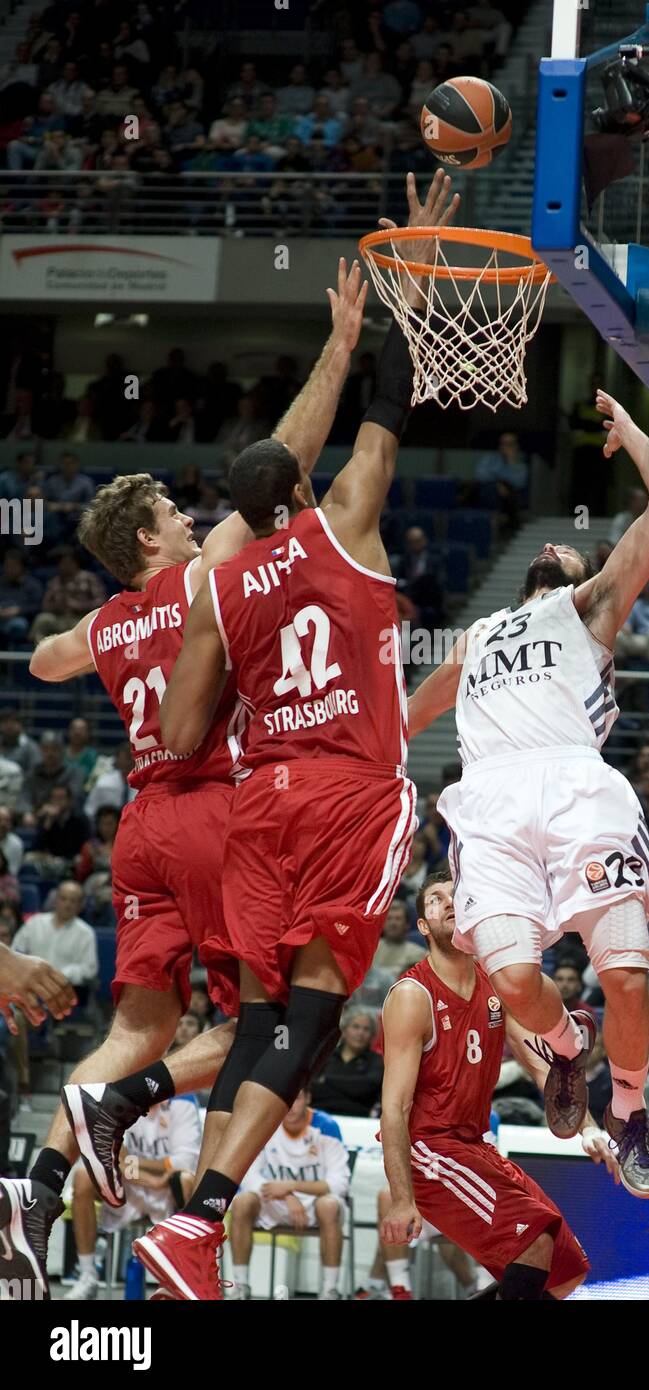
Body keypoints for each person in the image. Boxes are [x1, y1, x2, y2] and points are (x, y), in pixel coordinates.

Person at [0, 258, 367, 1298]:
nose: (189, 511)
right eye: (170, 505)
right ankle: (179, 1197)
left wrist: (100, 629)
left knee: (132, 1027)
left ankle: (37, 1180)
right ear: (156, 538)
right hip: (213, 810)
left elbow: (43, 659)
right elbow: (278, 461)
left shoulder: (109, 620)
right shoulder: (205, 572)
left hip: (138, 826)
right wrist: (339, 348)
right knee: (264, 1021)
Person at [128, 174, 459, 1301]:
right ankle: (204, 1212)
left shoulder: (216, 587)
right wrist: (407, 261)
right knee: (316, 1022)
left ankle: (192, 1225)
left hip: (255, 803)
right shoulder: (346, 522)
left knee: (266, 1018)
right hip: (348, 793)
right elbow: (391, 402)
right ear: (301, 488)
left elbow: (176, 732)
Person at [407, 389, 649, 1199]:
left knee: (628, 977)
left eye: (574, 545)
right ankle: (568, 1048)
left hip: (577, 789)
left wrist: (634, 435)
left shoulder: (589, 603)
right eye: (556, 543)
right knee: (516, 983)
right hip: (488, 804)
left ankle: (630, 1109)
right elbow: (401, 720)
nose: (560, 543)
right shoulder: (477, 635)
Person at [379, 873, 608, 1299]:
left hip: (476, 1145)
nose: (449, 902)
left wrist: (589, 1128)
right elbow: (393, 1109)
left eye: (456, 896)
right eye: (436, 899)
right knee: (533, 1243)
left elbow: (542, 1065)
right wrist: (400, 1198)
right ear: (424, 927)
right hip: (430, 1148)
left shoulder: (495, 981)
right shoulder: (413, 995)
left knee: (565, 1274)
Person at [65, 1087, 202, 1300]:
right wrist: (153, 1177)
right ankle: (87, 1275)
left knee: (187, 1181)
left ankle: (189, 1279)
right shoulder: (122, 1098)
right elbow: (118, 1160)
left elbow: (184, 1162)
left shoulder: (183, 1101)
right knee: (83, 1177)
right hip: (133, 1185)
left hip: (169, 1189)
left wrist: (142, 1166)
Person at [229, 1088, 350, 1301]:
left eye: (297, 1098)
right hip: (274, 1200)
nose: (291, 1106)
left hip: (314, 1204)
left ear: (308, 1099)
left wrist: (292, 1186)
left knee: (330, 1204)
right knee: (241, 1202)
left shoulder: (326, 1127)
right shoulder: (265, 1122)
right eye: (286, 1099)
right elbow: (248, 1176)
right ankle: (240, 1286)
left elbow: (339, 1183)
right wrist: (287, 1195)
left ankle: (330, 1290)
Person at [11, 881, 97, 996]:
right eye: (63, 899)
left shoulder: (86, 933)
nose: (67, 904)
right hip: (28, 987)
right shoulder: (35, 922)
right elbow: (16, 951)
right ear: (55, 900)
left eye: (73, 901)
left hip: (64, 992)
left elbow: (89, 970)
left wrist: (60, 976)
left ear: (80, 906)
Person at [310, 1007, 384, 1118]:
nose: (360, 1033)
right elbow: (312, 1088)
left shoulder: (377, 1061)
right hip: (319, 1117)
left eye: (366, 1029)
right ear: (344, 1030)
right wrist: (352, 1090)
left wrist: (327, 1080)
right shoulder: (325, 1056)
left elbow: (368, 1087)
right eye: (356, 1026)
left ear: (372, 1035)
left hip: (359, 1121)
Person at [372, 899, 426, 979]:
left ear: (407, 925)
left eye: (398, 919)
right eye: (389, 919)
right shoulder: (370, 950)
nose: (393, 923)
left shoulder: (419, 954)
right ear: (382, 924)